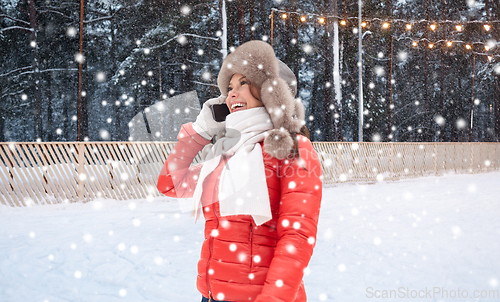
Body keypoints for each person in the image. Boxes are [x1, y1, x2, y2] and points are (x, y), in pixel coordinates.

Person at [157, 40, 322, 302]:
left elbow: (297, 235)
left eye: (243, 83)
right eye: (229, 87)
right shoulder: (225, 154)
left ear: (271, 92)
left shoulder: (292, 149)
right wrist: (199, 132)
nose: (231, 94)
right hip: (210, 294)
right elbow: (170, 184)